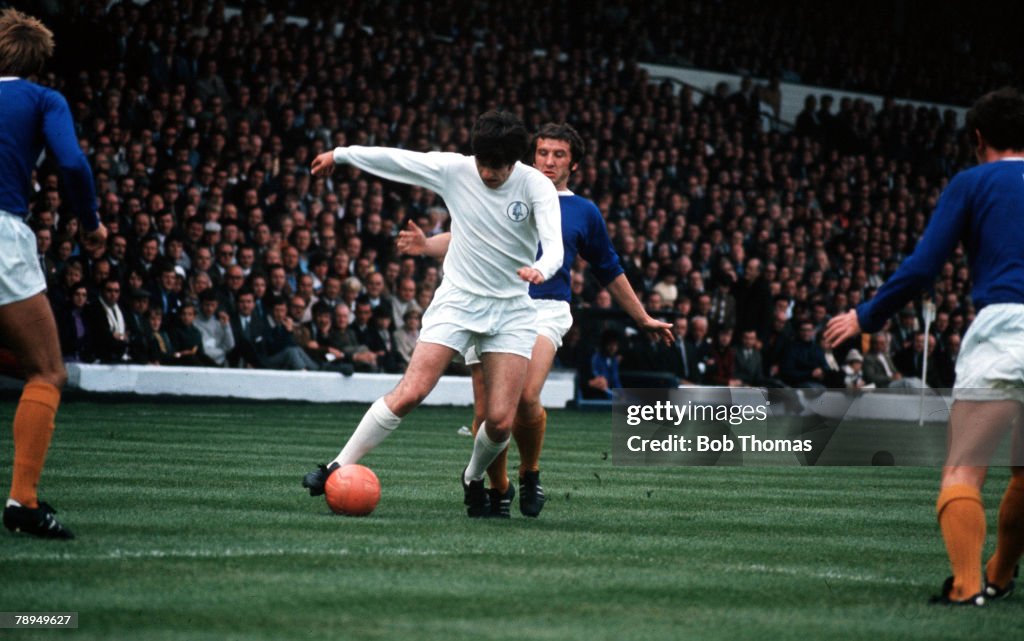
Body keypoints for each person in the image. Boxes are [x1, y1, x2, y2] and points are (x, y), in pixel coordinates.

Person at [397, 122, 671, 516]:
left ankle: (530, 473)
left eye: (559, 155)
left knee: (526, 395)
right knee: (487, 413)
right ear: (531, 155)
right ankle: (499, 489)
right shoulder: (508, 189)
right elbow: (463, 240)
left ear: (573, 165)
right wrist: (426, 245)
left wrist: (643, 317)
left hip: (545, 309)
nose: (549, 162)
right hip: (486, 305)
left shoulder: (582, 211)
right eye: (543, 153)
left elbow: (608, 268)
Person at [304, 111, 564, 517]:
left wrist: (541, 270)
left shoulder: (535, 186)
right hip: (457, 301)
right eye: (483, 164)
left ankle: (473, 476)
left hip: (512, 309)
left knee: (498, 422)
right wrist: (341, 154)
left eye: (497, 167)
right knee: (412, 391)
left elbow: (554, 245)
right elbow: (399, 160)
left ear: (515, 162)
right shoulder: (456, 170)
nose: (488, 174)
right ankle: (336, 464)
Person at [824, 87, 1024, 606]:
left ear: (978, 138)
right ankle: (1000, 575)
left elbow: (923, 268)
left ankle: (967, 586)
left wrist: (864, 315)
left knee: (964, 470)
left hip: (1003, 329)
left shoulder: (973, 182)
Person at [0, 8, 107, 538]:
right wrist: (90, 223)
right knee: (47, 371)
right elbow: (71, 163)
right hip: (2, 231)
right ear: (39, 59)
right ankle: (22, 502)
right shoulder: (43, 99)